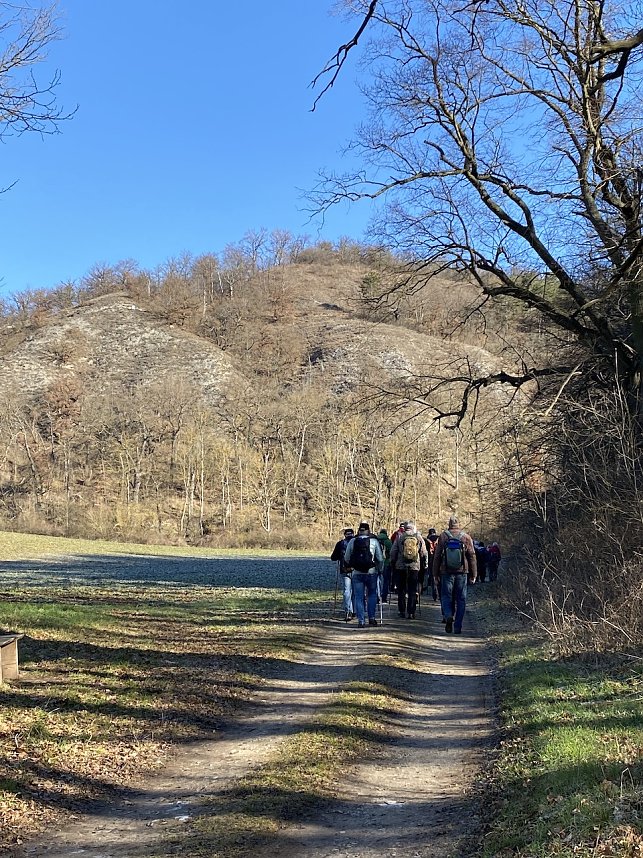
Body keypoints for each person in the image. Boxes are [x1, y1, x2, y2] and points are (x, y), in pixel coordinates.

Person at [432, 515, 477, 634]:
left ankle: (448, 615)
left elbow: (437, 556)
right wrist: (474, 574)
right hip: (462, 572)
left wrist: (435, 574)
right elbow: (472, 556)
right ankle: (457, 627)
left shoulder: (443, 536)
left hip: (446, 572)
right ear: (459, 524)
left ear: (449, 524)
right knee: (461, 599)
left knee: (446, 596)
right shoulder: (466, 537)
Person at [344, 522, 384, 628]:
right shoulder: (374, 541)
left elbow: (347, 558)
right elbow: (380, 558)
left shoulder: (352, 541)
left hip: (357, 573)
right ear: (368, 530)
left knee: (359, 597)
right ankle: (371, 618)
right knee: (372, 595)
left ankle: (361, 621)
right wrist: (380, 569)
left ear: (358, 531)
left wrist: (352, 566)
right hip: (371, 573)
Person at [390, 521, 428, 620]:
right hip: (414, 567)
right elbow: (424, 552)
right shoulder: (418, 537)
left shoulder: (399, 537)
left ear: (405, 528)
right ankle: (411, 612)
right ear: (413, 528)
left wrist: (393, 562)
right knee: (412, 589)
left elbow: (393, 552)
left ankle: (402, 610)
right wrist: (425, 563)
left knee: (401, 589)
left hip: (401, 567)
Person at [330, 527, 355, 621]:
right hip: (357, 571)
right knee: (356, 592)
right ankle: (355, 611)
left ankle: (348, 611)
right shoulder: (357, 542)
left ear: (345, 535)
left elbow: (333, 557)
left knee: (347, 591)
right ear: (353, 534)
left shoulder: (340, 543)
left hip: (345, 570)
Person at [376, 528, 393, 603]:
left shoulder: (375, 540)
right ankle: (384, 598)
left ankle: (376, 596)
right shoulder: (388, 542)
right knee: (386, 581)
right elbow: (392, 553)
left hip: (376, 564)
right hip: (386, 563)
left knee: (377, 580)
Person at [425, 528, 439, 600]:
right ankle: (439, 592)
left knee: (432, 575)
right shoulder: (439, 539)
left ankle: (434, 592)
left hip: (430, 560)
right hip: (439, 560)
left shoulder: (427, 540)